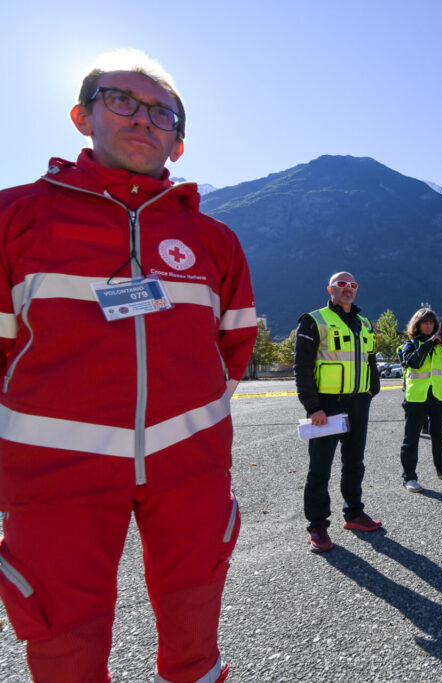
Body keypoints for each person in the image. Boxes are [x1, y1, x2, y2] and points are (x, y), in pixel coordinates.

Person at [0, 50, 256, 682]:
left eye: (162, 112)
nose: (144, 119)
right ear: (82, 117)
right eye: (122, 100)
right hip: (55, 478)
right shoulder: (16, 218)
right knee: (65, 649)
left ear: (180, 140)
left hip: (190, 470)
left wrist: (185, 421)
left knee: (195, 643)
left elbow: (233, 350)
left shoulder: (214, 240)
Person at [294, 271, 382, 553]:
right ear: (330, 289)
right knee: (320, 467)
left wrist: (373, 388)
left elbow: (370, 359)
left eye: (353, 285)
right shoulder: (313, 321)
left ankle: (354, 513)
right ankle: (318, 526)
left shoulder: (364, 322)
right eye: (342, 284)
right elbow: (302, 368)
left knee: (355, 462)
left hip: (359, 402)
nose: (348, 288)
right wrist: (313, 407)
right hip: (327, 405)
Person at [399, 308, 442, 491]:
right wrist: (429, 343)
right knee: (411, 438)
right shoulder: (409, 344)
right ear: (417, 324)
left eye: (431, 322)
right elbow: (414, 362)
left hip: (441, 395)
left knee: (439, 435)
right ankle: (409, 477)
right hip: (417, 397)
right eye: (425, 322)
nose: (428, 325)